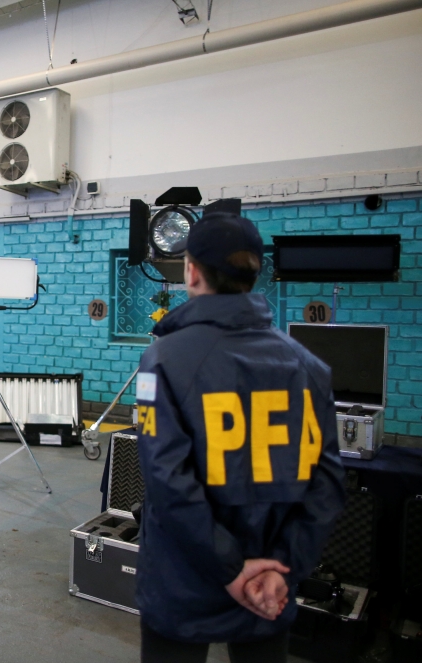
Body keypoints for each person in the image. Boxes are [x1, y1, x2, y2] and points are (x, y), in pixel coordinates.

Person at [133, 212, 346, 663]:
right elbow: (327, 484)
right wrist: (282, 572)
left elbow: (168, 482)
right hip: (271, 582)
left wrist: (232, 571)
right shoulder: (310, 367)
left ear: (191, 271)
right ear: (254, 273)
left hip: (183, 582)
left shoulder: (164, 360)